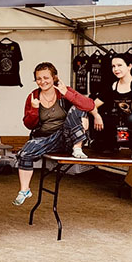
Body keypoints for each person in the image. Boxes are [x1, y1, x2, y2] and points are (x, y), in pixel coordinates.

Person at [13, 62, 99, 206]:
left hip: (67, 137)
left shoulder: (63, 91)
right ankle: (25, 190)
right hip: (47, 139)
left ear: (54, 78)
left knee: (78, 108)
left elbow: (89, 105)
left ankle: (78, 148)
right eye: (38, 78)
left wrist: (68, 94)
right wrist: (34, 109)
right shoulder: (33, 96)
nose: (42, 81)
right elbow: (29, 125)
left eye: (46, 77)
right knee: (25, 152)